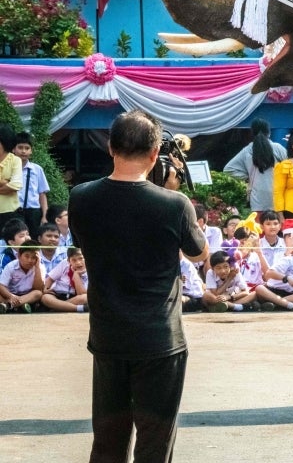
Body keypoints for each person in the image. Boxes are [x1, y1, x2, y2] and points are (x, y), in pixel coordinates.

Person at [68, 109, 209, 462]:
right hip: (160, 338)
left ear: (111, 148)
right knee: (155, 441)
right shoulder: (174, 204)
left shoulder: (81, 197)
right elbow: (199, 254)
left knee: (108, 441)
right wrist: (172, 193)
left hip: (108, 334)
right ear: (154, 153)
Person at [223, 118, 288, 212]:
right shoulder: (277, 148)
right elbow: (292, 166)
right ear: (269, 133)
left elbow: (228, 169)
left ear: (252, 133)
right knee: (276, 225)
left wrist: (247, 177)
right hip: (279, 196)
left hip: (257, 198)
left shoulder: (247, 151)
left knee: (258, 225)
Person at [255, 238, 293, 311]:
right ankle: (289, 305)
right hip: (273, 291)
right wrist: (286, 278)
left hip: (290, 295)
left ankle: (275, 304)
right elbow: (269, 273)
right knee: (259, 288)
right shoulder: (288, 260)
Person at [14, 132, 50, 239]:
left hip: (33, 211)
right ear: (13, 149)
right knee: (17, 238)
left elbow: (42, 194)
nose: (23, 151)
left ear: (31, 151)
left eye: (27, 148)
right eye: (20, 147)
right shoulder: (8, 168)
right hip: (15, 210)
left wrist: (44, 216)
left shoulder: (37, 169)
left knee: (34, 239)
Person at [0, 238, 45, 313]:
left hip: (28, 295)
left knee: (38, 293)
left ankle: (8, 306)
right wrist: (11, 296)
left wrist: (37, 268)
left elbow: (38, 288)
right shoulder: (11, 266)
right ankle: (21, 305)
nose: (30, 260)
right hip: (10, 294)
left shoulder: (40, 267)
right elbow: (2, 286)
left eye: (34, 257)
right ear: (19, 256)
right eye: (27, 256)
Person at [42, 246, 89, 313]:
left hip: (74, 298)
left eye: (81, 258)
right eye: (74, 260)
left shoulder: (89, 269)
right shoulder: (64, 264)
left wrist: (76, 276)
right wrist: (45, 288)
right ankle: (78, 308)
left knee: (85, 298)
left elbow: (81, 294)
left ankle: (57, 308)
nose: (78, 262)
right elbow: (50, 278)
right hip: (58, 294)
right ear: (68, 261)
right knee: (45, 298)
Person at [0, 123, 24, 230]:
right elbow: (11, 187)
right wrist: (5, 183)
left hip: (10, 213)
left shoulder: (15, 160)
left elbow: (16, 185)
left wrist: (10, 184)